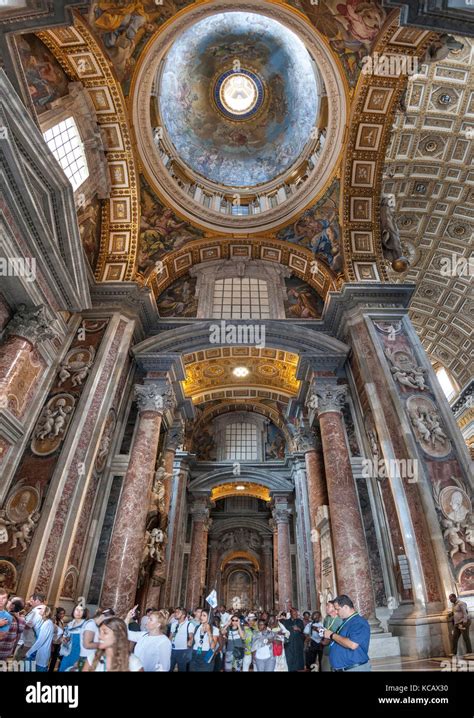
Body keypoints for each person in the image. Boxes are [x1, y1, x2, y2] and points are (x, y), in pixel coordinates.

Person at [323, 595, 371, 672]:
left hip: (355, 668)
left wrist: (332, 635)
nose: (336, 612)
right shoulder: (346, 622)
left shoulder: (358, 622)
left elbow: (352, 644)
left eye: (337, 609)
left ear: (345, 607)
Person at [125, 606, 171, 671]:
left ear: (158, 624)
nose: (147, 622)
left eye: (150, 620)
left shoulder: (164, 642)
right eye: (148, 618)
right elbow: (126, 633)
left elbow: (164, 667)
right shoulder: (143, 635)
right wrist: (128, 617)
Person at [14, 591, 45, 660]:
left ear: (37, 600)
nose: (30, 603)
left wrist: (18, 617)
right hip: (34, 642)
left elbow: (27, 626)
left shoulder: (36, 611)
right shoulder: (45, 610)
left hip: (27, 642)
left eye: (31, 601)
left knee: (17, 663)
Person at [59, 604, 88, 672]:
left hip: (79, 656)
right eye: (77, 610)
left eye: (81, 610)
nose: (78, 612)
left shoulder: (86, 625)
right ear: (73, 611)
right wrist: (64, 640)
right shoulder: (70, 624)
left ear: (84, 613)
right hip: (67, 654)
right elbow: (65, 638)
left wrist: (81, 660)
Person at [26, 605, 55, 671]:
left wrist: (29, 652)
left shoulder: (47, 623)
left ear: (46, 612)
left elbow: (40, 641)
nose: (40, 610)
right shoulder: (47, 622)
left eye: (42, 609)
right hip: (41, 653)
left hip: (43, 653)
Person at [168, 607, 194, 672]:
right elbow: (171, 636)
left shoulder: (189, 624)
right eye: (175, 612)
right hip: (172, 650)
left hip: (182, 651)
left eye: (178, 612)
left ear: (183, 615)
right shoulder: (173, 624)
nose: (175, 614)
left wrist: (190, 642)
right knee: (169, 668)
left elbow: (191, 637)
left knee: (182, 669)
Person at [0, 596, 25, 661]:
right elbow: (18, 638)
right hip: (7, 651)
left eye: (9, 601)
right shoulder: (22, 621)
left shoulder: (4, 617)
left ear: (12, 606)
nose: (7, 602)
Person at [281, 606, 305, 671]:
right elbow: (283, 631)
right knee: (289, 658)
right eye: (294, 614)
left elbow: (303, 630)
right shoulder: (286, 622)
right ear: (290, 614)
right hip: (289, 643)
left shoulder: (300, 621)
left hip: (298, 643)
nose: (295, 615)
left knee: (298, 658)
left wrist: (298, 629)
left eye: (296, 614)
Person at [321, 600, 343, 672]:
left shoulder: (340, 620)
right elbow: (325, 630)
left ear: (334, 607)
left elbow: (341, 636)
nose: (326, 607)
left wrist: (328, 640)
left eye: (328, 606)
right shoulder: (327, 618)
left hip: (336, 651)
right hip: (326, 650)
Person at [49, 607, 65, 671]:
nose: (62, 615)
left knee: (54, 659)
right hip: (53, 642)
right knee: (49, 658)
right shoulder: (54, 620)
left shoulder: (61, 621)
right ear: (57, 614)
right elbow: (51, 633)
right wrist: (51, 644)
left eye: (63, 614)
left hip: (58, 643)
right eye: (60, 614)